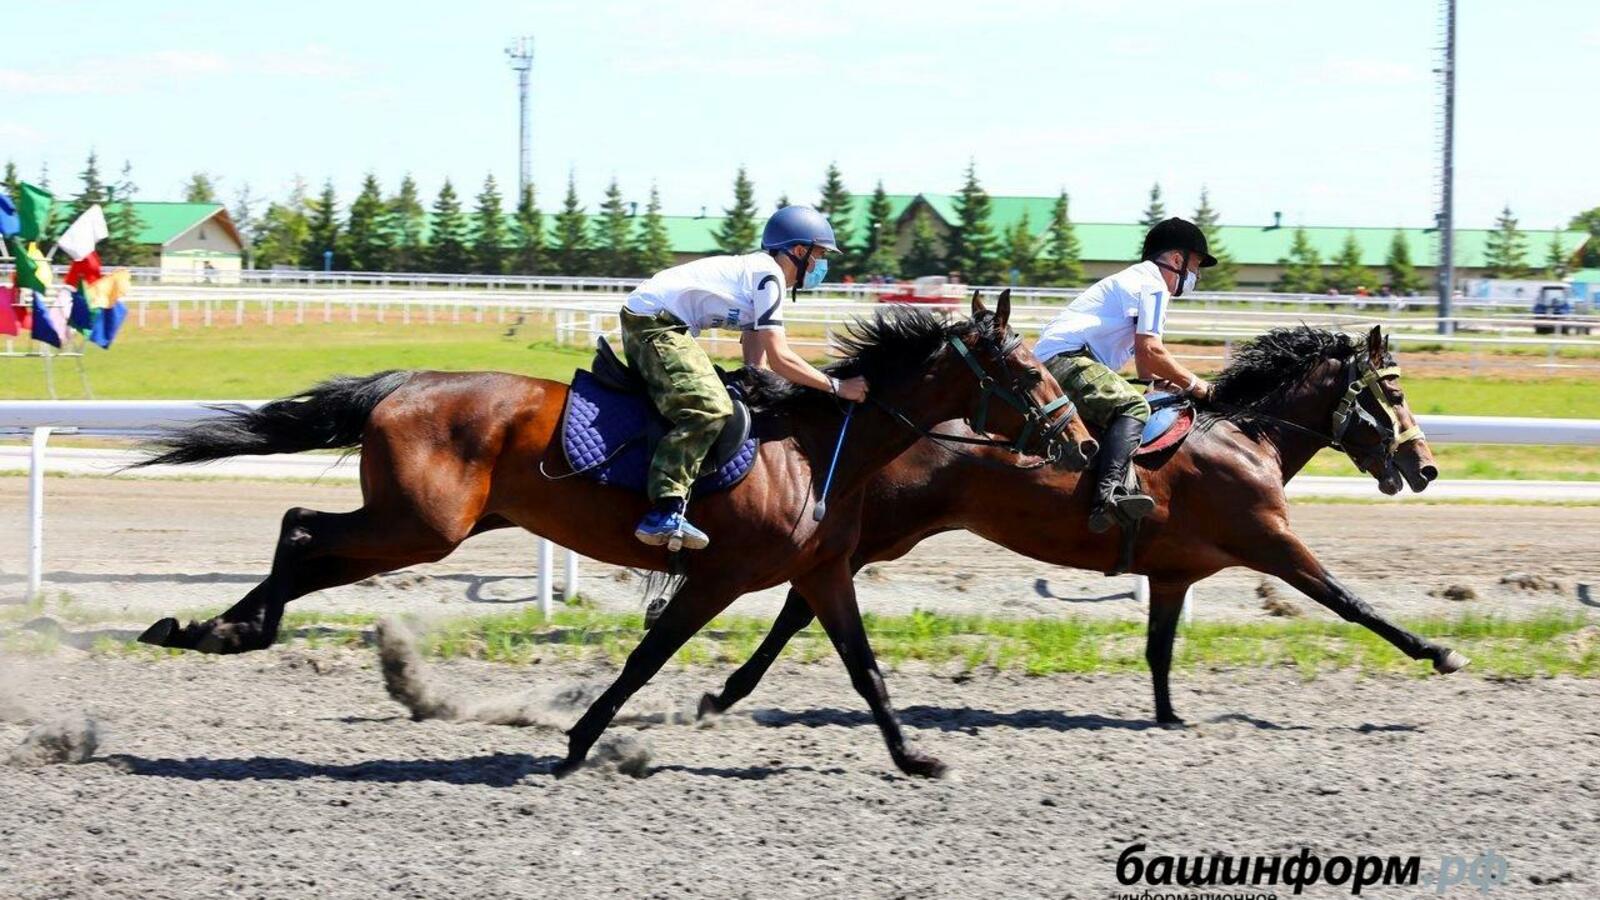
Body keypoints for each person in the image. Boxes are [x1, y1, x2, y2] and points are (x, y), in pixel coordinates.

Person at [620, 205, 869, 550]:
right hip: (655, 325)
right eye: (820, 255)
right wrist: (838, 387)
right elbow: (781, 357)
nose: (821, 265)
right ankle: (664, 510)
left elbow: (759, 358)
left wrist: (755, 380)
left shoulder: (765, 276)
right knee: (710, 407)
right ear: (799, 251)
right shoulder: (769, 277)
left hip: (663, 324)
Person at [1033, 217, 1217, 533]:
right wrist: (1197, 384)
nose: (1195, 276)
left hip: (1061, 358)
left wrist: (1160, 381)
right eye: (1196, 266)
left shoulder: (1141, 280)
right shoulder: (1154, 286)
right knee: (1134, 407)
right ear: (1176, 259)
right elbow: (1152, 351)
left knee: (1139, 401)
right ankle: (1108, 496)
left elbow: (1146, 367)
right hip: (1067, 358)